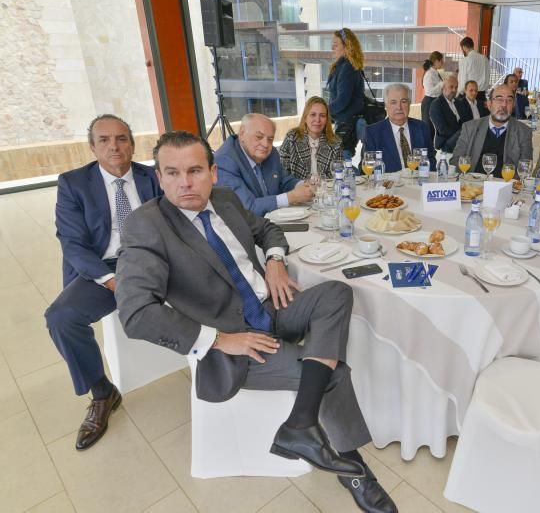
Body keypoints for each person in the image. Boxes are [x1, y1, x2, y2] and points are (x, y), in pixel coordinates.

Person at [115, 131, 398, 513]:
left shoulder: (225, 199)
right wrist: (217, 339)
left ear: (213, 172)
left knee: (337, 293)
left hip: (271, 307)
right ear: (160, 177)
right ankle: (355, 472)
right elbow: (135, 313)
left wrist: (275, 260)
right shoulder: (146, 226)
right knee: (333, 375)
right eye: (173, 172)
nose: (185, 182)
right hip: (234, 341)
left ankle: (300, 424)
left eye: (196, 170)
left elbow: (266, 229)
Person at [44, 114, 161, 451]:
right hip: (104, 265)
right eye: (105, 140)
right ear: (92, 147)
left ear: (133, 144)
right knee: (61, 318)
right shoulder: (73, 183)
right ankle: (102, 392)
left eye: (122, 138)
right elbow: (73, 245)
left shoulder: (151, 176)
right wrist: (112, 281)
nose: (114, 146)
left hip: (150, 259)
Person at [215, 114, 314, 216]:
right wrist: (290, 198)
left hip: (275, 221)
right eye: (259, 137)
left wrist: (304, 185)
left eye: (270, 139)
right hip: (249, 228)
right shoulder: (225, 161)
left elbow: (285, 181)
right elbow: (247, 208)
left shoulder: (271, 153)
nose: (265, 144)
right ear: (242, 133)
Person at [451, 84, 532, 177]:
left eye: (509, 100)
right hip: (473, 185)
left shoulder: (524, 132)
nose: (504, 105)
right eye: (499, 99)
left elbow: (525, 169)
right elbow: (456, 161)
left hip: (506, 187)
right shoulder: (470, 128)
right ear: (489, 104)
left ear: (513, 105)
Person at [363, 83, 435, 173]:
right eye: (393, 102)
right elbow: (366, 168)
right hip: (388, 185)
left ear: (409, 104)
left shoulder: (422, 128)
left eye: (403, 101)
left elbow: (431, 160)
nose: (399, 107)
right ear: (386, 105)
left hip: (418, 183)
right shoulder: (372, 132)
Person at [280, 97, 342, 180]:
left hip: (326, 191)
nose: (317, 120)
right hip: (298, 190)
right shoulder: (292, 138)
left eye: (322, 115)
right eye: (313, 114)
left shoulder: (335, 142)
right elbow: (283, 173)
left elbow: (339, 174)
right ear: (305, 118)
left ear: (327, 119)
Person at [326, 28, 365, 157]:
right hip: (347, 122)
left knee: (342, 163)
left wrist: (323, 111)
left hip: (347, 124)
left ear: (347, 46)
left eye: (336, 44)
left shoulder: (347, 68)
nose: (333, 47)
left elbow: (342, 100)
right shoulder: (345, 66)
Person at [429, 75, 463, 153]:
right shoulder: (436, 104)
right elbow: (442, 130)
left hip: (461, 141)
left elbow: (465, 121)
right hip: (445, 143)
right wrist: (462, 135)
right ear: (443, 87)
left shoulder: (458, 103)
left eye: (456, 87)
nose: (454, 90)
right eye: (451, 87)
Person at [457, 37, 490, 101]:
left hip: (469, 96)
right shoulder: (485, 59)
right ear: (472, 45)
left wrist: (458, 94)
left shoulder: (465, 60)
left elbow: (463, 81)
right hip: (482, 96)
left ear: (464, 47)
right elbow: (488, 77)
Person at [421, 51, 445, 140]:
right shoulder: (429, 74)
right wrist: (442, 84)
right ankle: (427, 149)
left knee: (434, 126)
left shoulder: (435, 72)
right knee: (428, 127)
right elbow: (430, 91)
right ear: (435, 61)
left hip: (434, 101)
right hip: (429, 101)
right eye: (441, 61)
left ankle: (431, 148)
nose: (442, 63)